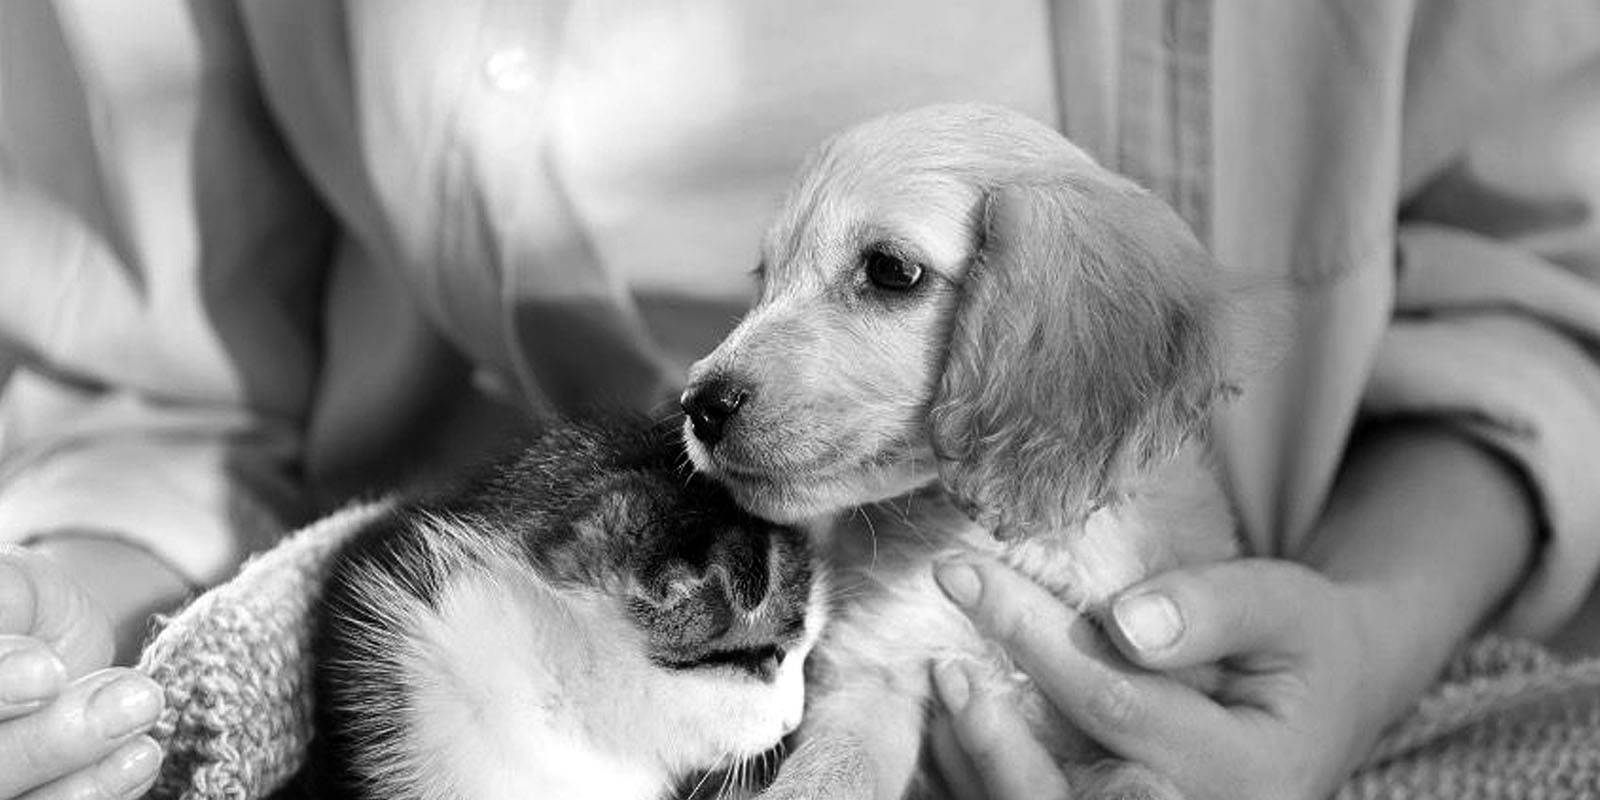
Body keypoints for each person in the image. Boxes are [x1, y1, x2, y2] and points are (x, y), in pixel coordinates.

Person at [3, 1, 1599, 799]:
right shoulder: (871, 554)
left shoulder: (1094, 338)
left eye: (884, 277)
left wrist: (1372, 630)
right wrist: (50, 631)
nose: (723, 375)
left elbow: (1537, 287)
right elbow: (153, 382)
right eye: (780, 282)